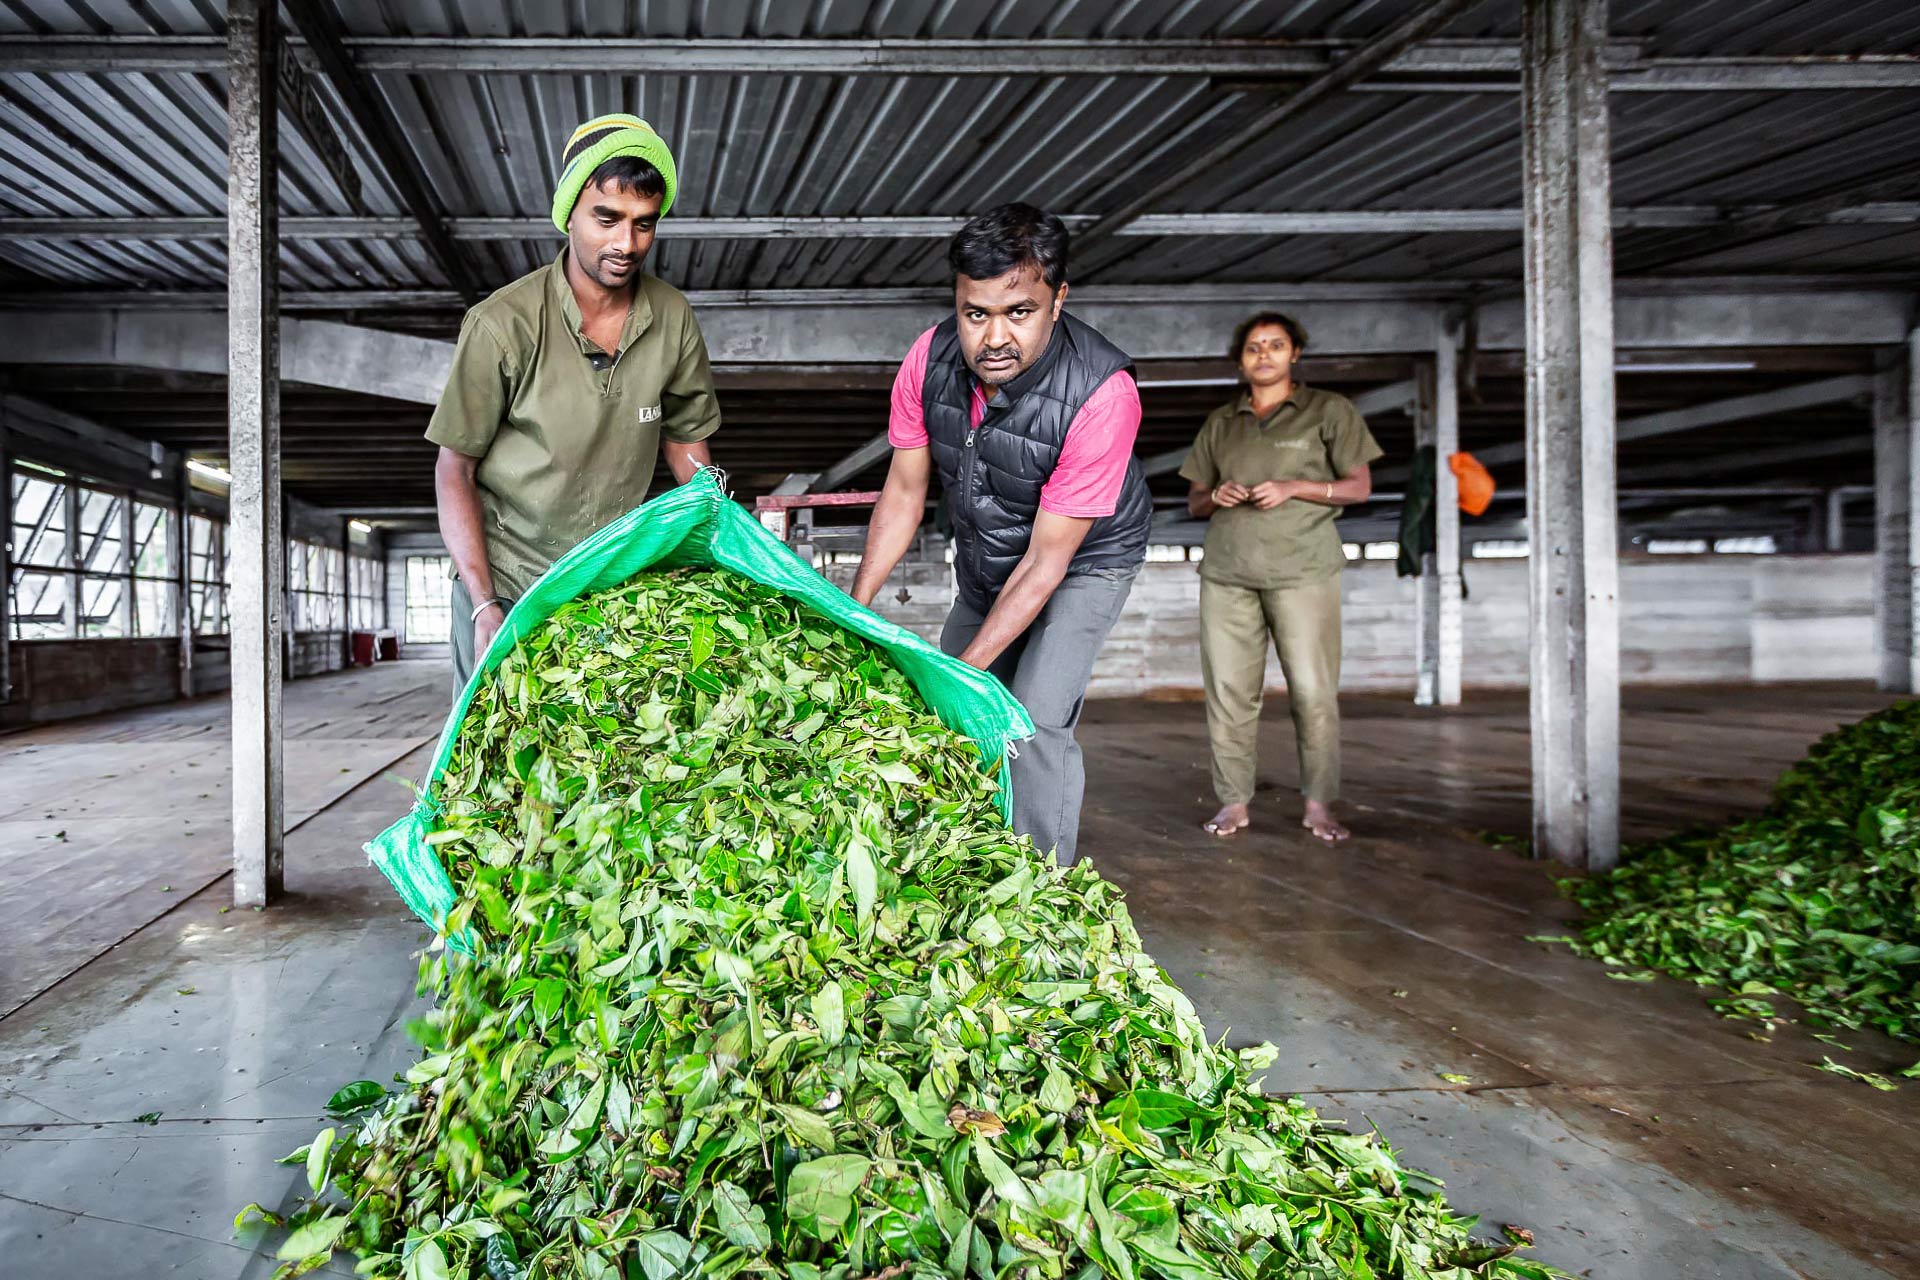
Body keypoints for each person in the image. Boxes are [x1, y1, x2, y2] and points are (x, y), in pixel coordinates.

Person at [848, 203, 1149, 866]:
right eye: (975, 314)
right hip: (991, 553)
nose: (993, 339)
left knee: (1030, 722)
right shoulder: (929, 360)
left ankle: (1043, 896)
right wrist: (854, 606)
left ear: (1058, 299)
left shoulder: (1103, 394)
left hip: (1081, 564)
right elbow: (904, 491)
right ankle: (967, 866)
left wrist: (965, 671)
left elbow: (1047, 563)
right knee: (945, 716)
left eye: (1019, 312)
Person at [428, 114, 721, 691]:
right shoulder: (502, 325)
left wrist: (714, 529)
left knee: (603, 761)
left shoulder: (672, 316)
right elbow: (453, 469)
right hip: (511, 587)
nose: (625, 244)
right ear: (569, 215)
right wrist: (485, 605)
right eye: (606, 219)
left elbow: (687, 442)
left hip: (610, 589)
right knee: (494, 765)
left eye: (643, 224)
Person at [1178, 312, 1382, 842]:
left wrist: (1295, 486)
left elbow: (1359, 487)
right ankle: (1233, 803)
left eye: (1275, 345)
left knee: (1313, 692)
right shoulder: (1223, 422)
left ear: (1295, 353)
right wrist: (1214, 496)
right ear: (1241, 359)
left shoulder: (1327, 411)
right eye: (1253, 347)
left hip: (1304, 569)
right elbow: (1196, 498)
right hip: (1227, 572)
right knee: (1228, 692)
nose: (1263, 354)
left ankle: (1318, 805)